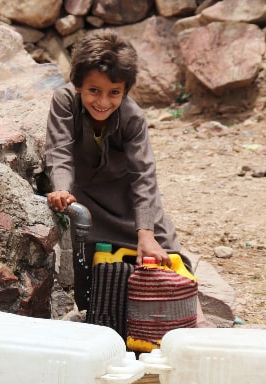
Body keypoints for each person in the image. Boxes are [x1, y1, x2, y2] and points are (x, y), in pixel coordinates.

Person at [44, 29, 211, 327]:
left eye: (114, 92)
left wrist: (145, 233)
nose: (103, 101)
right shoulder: (64, 101)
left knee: (165, 248)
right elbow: (59, 151)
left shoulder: (132, 116)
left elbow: (143, 175)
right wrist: (62, 190)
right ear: (78, 85)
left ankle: (194, 321)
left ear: (125, 91)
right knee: (90, 263)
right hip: (84, 195)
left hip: (128, 200)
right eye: (94, 90)